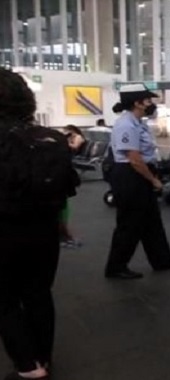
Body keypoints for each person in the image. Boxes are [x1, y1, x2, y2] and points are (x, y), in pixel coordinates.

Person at [0, 67, 80, 380]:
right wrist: (62, 223)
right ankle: (42, 358)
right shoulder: (53, 138)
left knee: (4, 299)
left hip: (5, 228)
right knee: (38, 293)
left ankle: (28, 367)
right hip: (45, 227)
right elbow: (64, 187)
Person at [104, 83, 170, 280]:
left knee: (151, 221)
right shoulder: (126, 124)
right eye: (148, 100)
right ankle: (116, 267)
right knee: (129, 223)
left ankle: (162, 260)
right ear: (138, 102)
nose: (151, 103)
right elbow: (134, 158)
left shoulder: (138, 122)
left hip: (140, 172)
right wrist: (154, 180)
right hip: (130, 175)